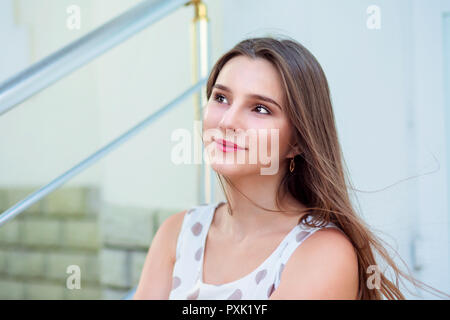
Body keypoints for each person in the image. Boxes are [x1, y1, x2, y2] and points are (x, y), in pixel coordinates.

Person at [133, 36, 449, 300]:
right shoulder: (178, 233)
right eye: (221, 98)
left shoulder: (322, 252)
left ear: (297, 141)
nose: (227, 121)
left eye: (260, 109)